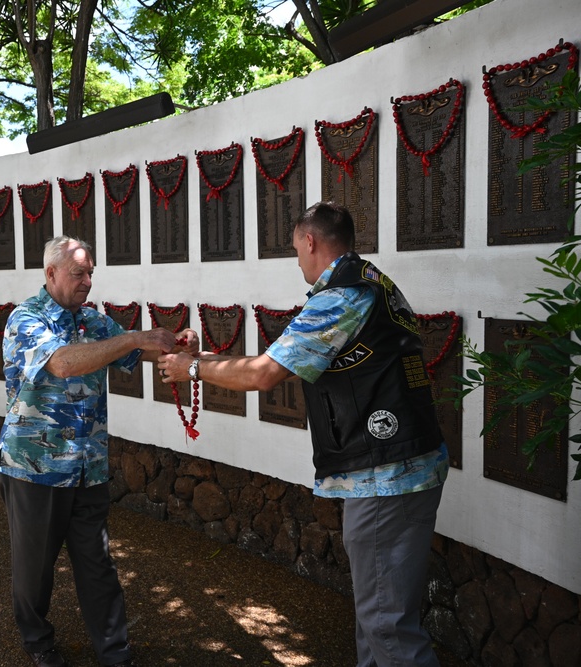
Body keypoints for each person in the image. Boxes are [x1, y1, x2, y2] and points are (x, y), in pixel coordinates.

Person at [157, 202, 448, 667]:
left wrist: (192, 369)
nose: (296, 260)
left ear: (310, 242)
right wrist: (203, 359)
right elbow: (283, 362)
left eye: (295, 248)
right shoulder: (372, 283)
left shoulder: (339, 298)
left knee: (387, 626)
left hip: (384, 475)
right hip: (404, 462)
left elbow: (263, 375)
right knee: (375, 615)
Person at [0, 235, 198, 667]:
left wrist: (179, 345)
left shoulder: (95, 322)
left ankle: (115, 653)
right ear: (51, 274)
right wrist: (134, 339)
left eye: (91, 273)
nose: (88, 281)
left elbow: (138, 351)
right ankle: (38, 641)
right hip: (36, 469)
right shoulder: (25, 319)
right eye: (79, 273)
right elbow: (64, 363)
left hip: (88, 468)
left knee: (98, 565)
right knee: (35, 571)